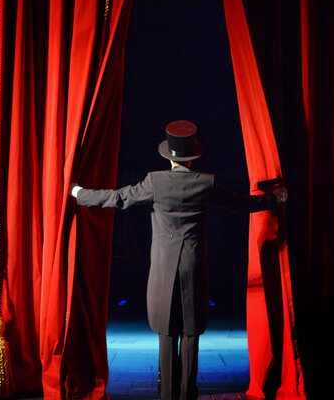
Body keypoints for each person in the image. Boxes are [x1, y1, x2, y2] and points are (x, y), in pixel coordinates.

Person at [71, 120, 287, 400]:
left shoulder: (156, 181)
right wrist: (274, 199)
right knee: (191, 332)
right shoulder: (206, 183)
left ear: (169, 156)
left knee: (166, 332)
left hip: (163, 269)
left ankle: (167, 395)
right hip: (193, 266)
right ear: (193, 156)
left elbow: (119, 198)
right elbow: (240, 204)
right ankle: (187, 394)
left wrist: (79, 193)